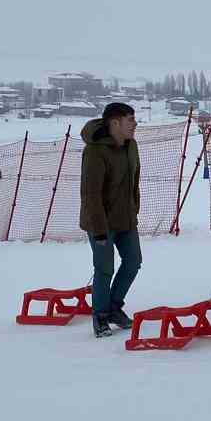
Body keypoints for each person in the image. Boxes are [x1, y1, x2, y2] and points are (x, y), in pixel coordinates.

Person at [78, 102, 142, 339]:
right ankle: (101, 315)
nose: (134, 124)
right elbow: (90, 193)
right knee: (104, 269)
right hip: (101, 222)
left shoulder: (131, 146)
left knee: (133, 262)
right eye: (130, 120)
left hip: (126, 219)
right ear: (115, 123)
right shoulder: (95, 151)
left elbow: (134, 182)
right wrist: (100, 230)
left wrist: (134, 209)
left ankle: (114, 307)